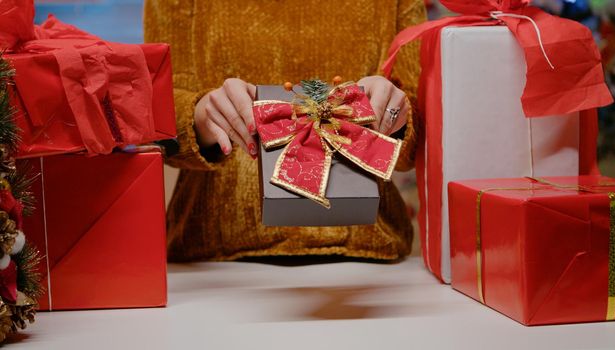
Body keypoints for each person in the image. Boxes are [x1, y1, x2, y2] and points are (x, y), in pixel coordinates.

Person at [144, 0, 426, 261]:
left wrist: (396, 116)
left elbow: (415, 145)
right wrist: (204, 115)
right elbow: (157, 120)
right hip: (216, 257)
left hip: (368, 250)